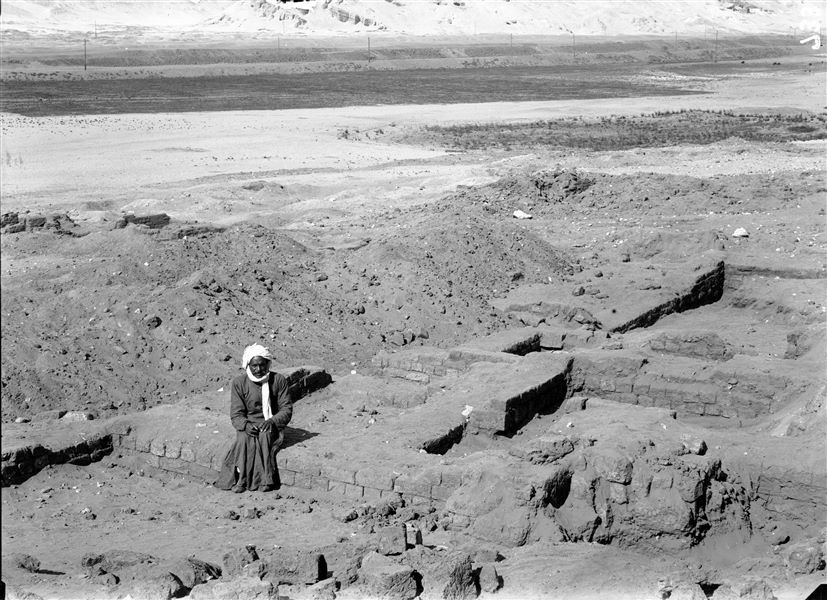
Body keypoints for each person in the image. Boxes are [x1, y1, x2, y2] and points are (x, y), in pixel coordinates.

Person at [215, 344, 292, 493]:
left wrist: (272, 421)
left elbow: (286, 409)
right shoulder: (239, 383)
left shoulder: (278, 380)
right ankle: (242, 480)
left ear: (268, 364)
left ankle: (265, 480)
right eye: (254, 365)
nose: (258, 370)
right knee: (244, 439)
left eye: (262, 365)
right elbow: (236, 414)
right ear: (247, 365)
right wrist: (245, 425)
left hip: (271, 423)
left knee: (264, 437)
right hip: (249, 423)